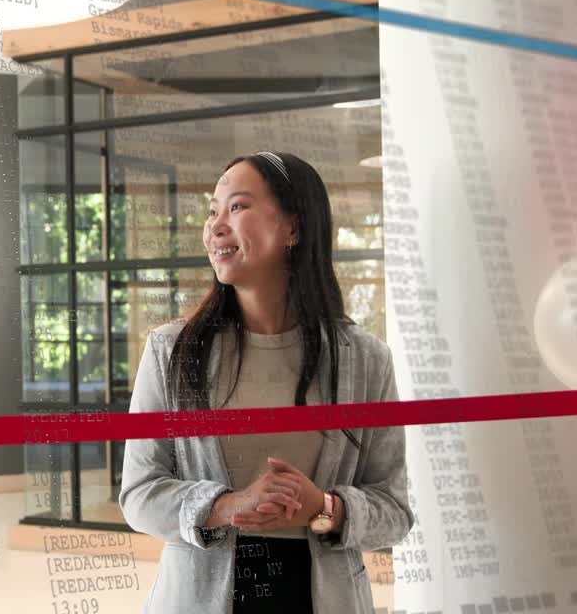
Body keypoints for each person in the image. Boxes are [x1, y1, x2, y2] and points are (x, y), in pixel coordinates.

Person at [119, 151, 414, 613]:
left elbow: (394, 510)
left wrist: (324, 508)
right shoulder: (170, 351)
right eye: (213, 211)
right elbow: (138, 495)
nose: (215, 226)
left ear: (293, 228)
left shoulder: (366, 360)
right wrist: (228, 505)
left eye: (236, 207)